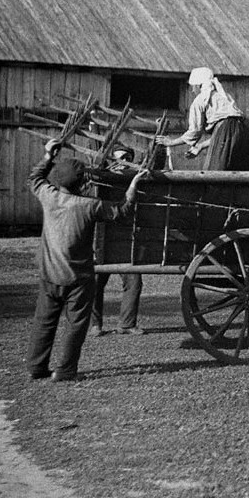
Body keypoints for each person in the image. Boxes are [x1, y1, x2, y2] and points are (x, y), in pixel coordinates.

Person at [28, 138, 147, 382]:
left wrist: (48, 155)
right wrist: (134, 183)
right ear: (83, 183)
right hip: (79, 279)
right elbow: (123, 210)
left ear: (58, 181)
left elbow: (35, 179)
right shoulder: (89, 206)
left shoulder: (48, 197)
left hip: (50, 275)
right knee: (75, 325)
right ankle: (66, 370)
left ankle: (37, 368)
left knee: (44, 322)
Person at [92, 146, 146, 337]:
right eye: (119, 159)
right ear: (111, 162)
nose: (123, 162)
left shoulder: (137, 179)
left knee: (134, 282)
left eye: (127, 158)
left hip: (126, 241)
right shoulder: (102, 179)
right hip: (102, 241)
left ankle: (126, 324)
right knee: (95, 282)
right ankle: (95, 325)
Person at [156, 67, 249, 171]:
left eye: (193, 87)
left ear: (199, 86)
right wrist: (200, 146)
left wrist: (171, 142)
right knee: (241, 174)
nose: (193, 91)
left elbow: (195, 132)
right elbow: (229, 134)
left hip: (226, 132)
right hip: (245, 134)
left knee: (217, 175)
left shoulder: (199, 100)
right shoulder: (225, 97)